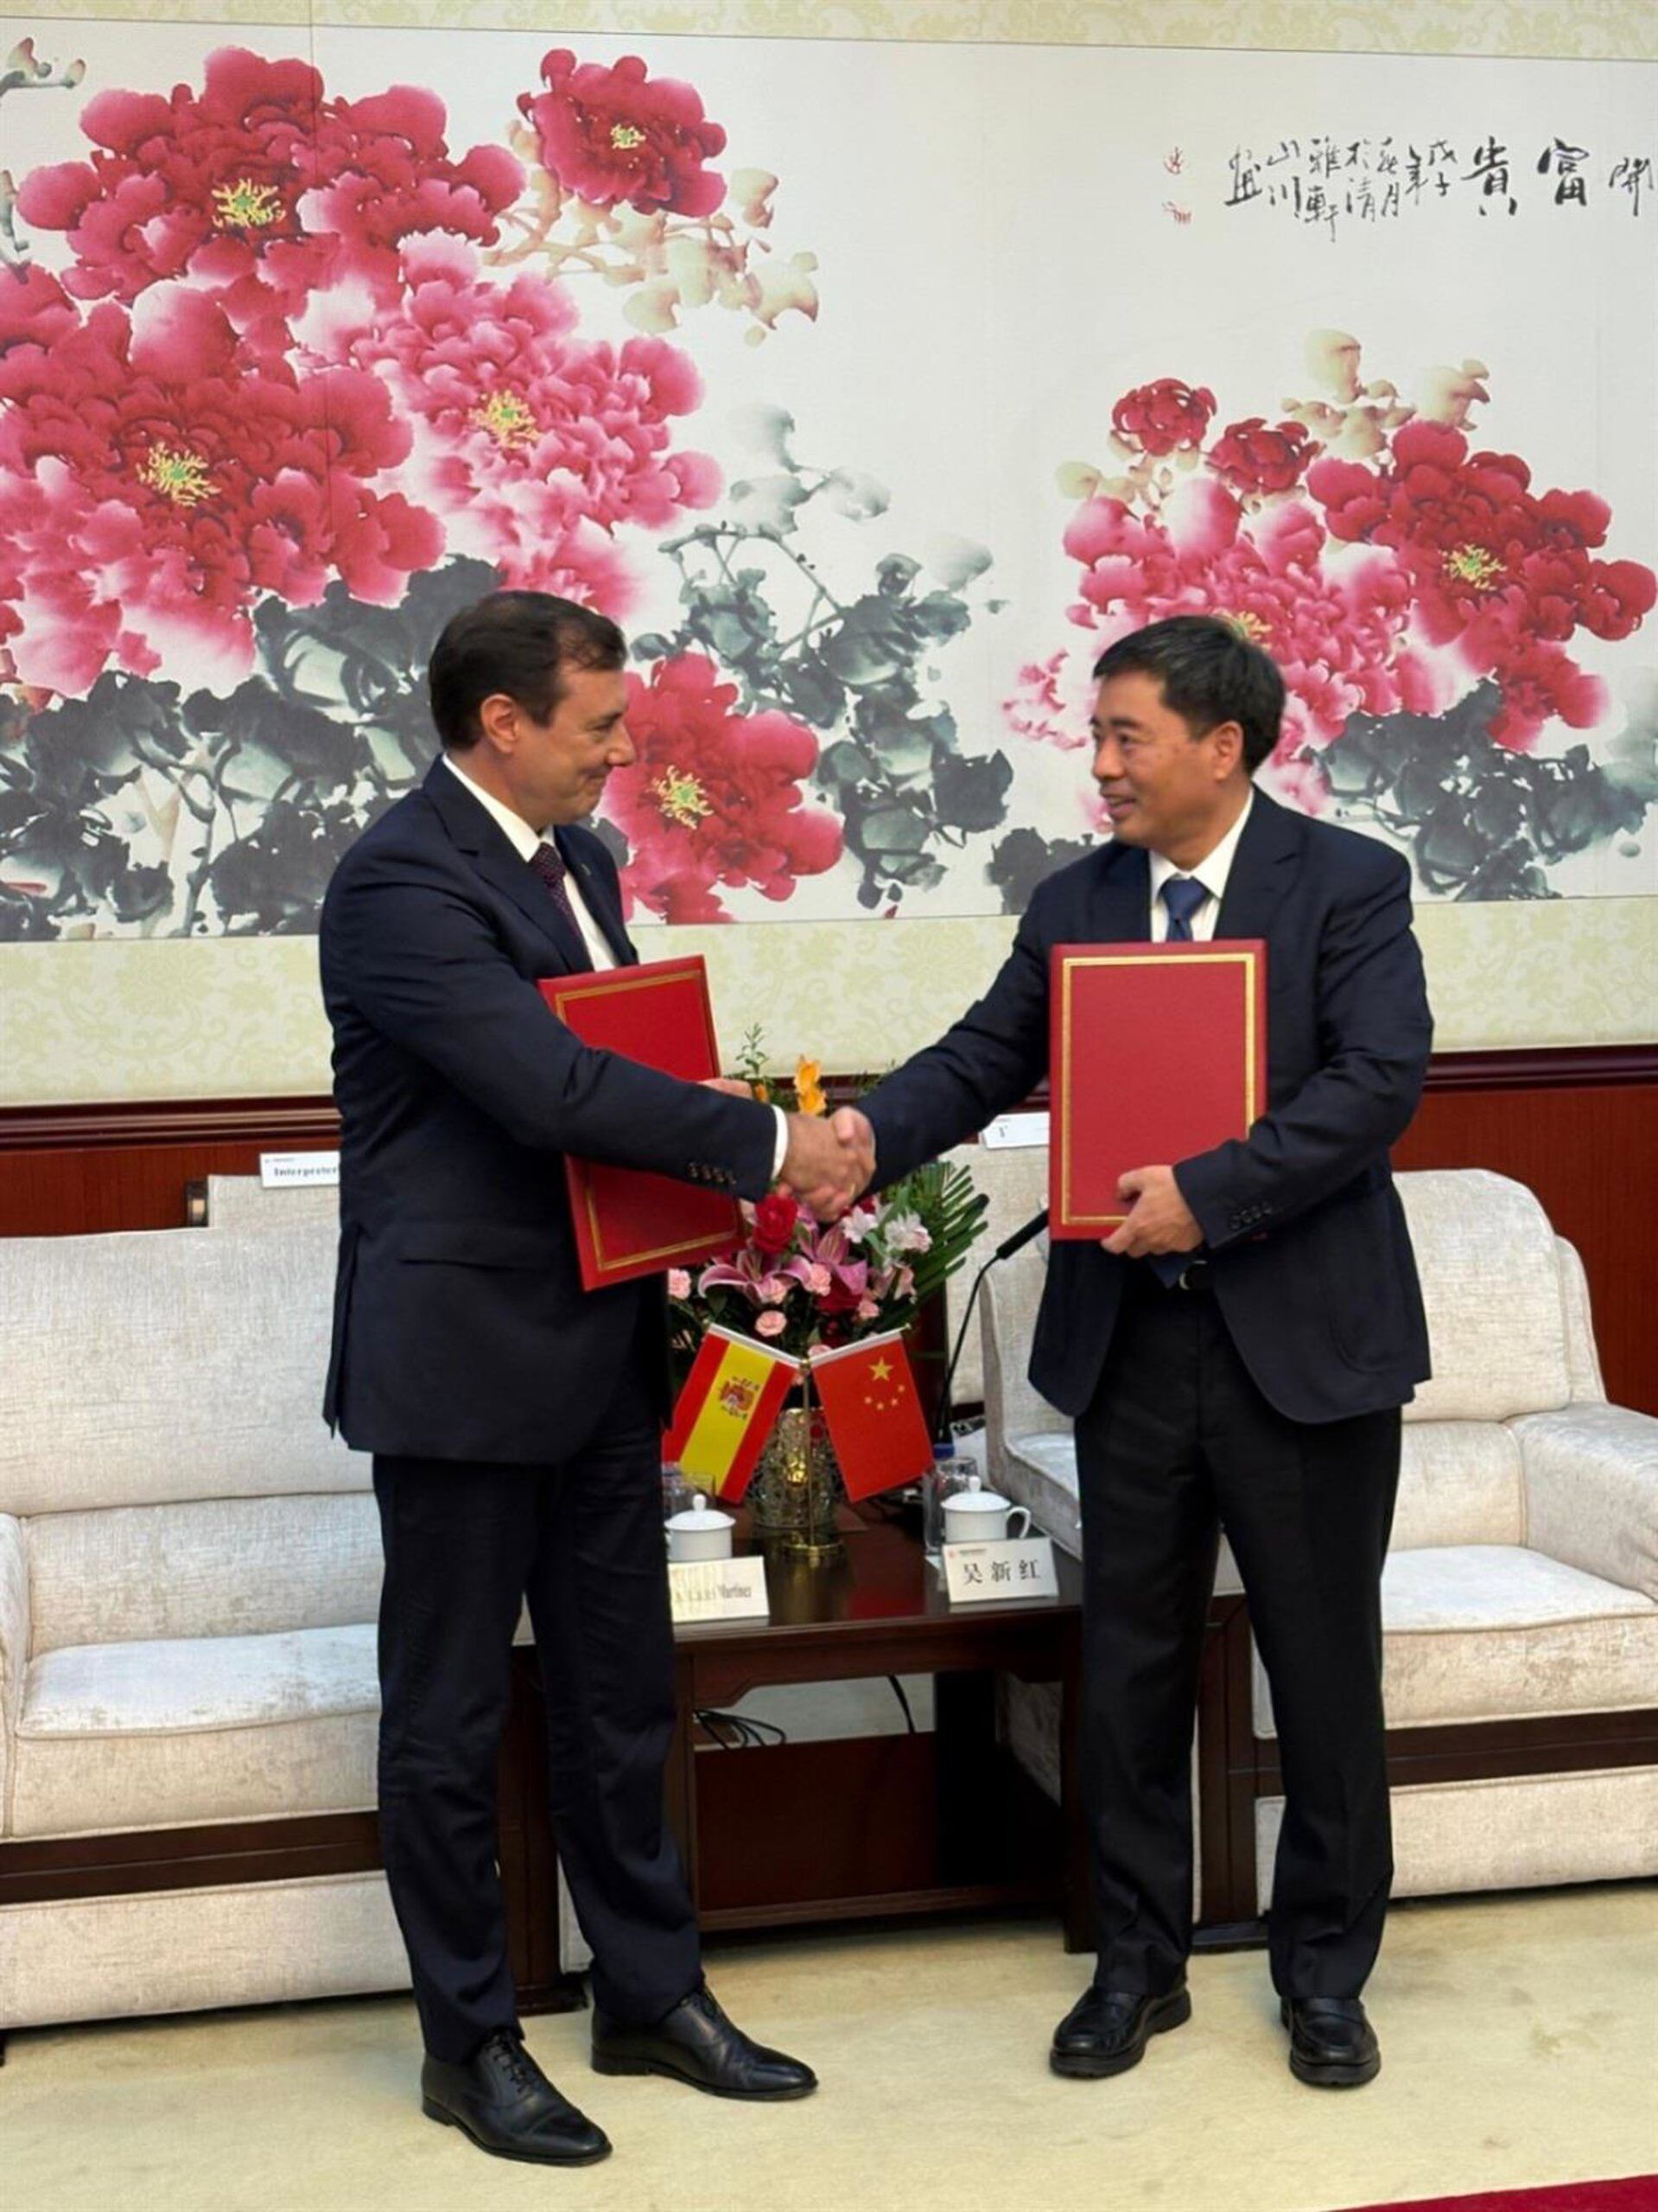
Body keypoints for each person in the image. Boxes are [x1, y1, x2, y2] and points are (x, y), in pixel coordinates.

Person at [835, 614, 1432, 2090]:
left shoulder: (1347, 884)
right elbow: (983, 1059)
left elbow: (1378, 1081)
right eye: (1096, 736)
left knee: (1322, 1675)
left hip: (1303, 1349)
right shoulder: (1075, 900)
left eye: (1126, 738)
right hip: (1134, 1350)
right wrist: (855, 1138)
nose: (1099, 766)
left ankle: (1325, 1978)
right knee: (1130, 1673)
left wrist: (1211, 1193)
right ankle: (1134, 1966)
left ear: (1222, 748)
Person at [319, 590, 865, 2165]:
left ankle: (648, 1995)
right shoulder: (399, 882)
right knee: (447, 1719)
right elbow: (550, 1087)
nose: (623, 752)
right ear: (503, 722)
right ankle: (469, 2042)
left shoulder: (587, 862)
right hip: (463, 1366)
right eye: (601, 724)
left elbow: (621, 1063)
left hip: (599, 1346)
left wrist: (718, 1161)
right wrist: (770, 1142)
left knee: (623, 1698)